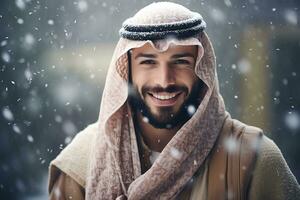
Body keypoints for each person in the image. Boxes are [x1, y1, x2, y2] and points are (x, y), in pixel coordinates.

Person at [48, 2, 300, 199]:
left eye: (180, 61)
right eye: (148, 62)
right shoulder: (81, 163)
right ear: (128, 71)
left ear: (202, 69)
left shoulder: (253, 160)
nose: (164, 80)